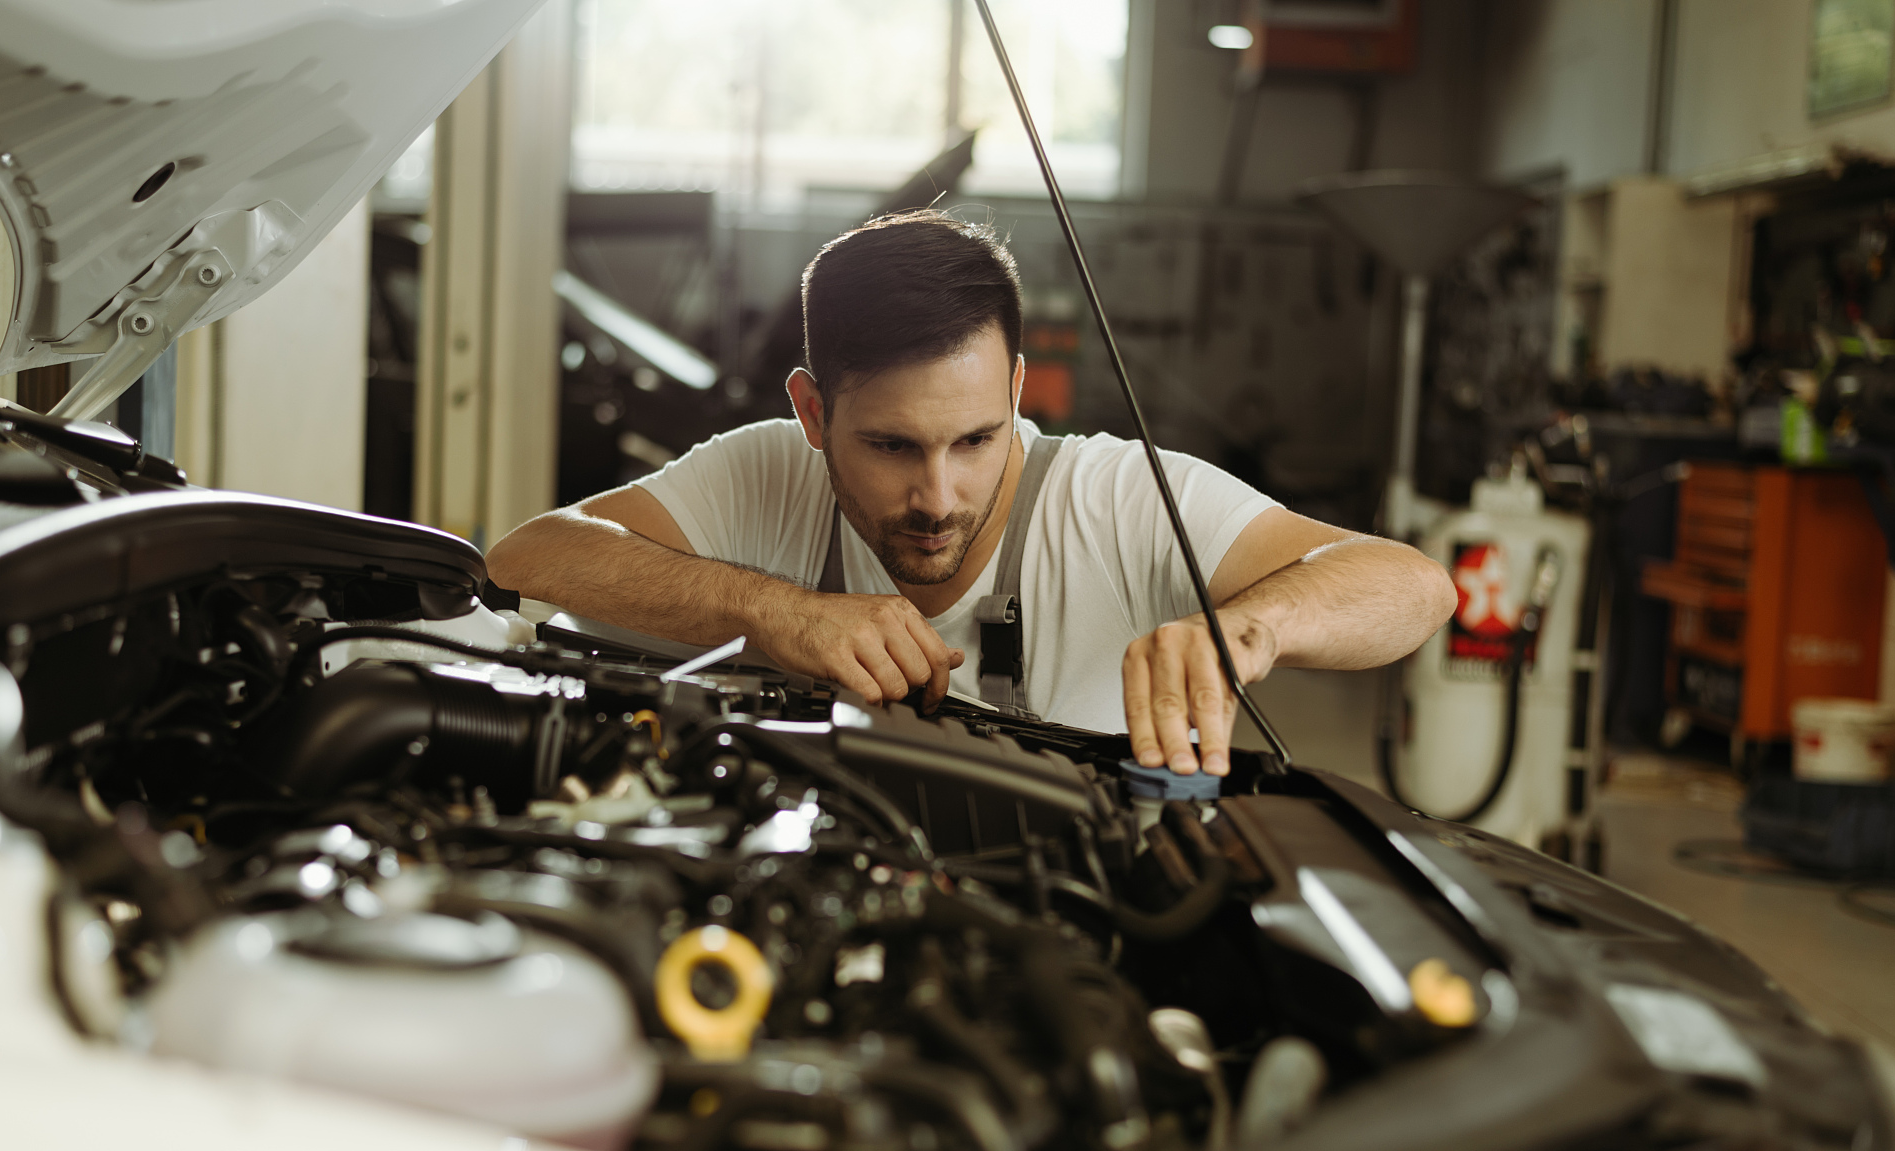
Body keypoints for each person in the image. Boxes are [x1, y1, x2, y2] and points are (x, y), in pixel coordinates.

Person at [487, 210, 1454, 777]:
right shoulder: (766, 472)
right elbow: (528, 556)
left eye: (978, 438)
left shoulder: (1112, 498)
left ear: (1018, 394)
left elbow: (1411, 585)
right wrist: (776, 613)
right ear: (813, 413)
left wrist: (1241, 629)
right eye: (892, 445)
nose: (939, 495)